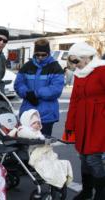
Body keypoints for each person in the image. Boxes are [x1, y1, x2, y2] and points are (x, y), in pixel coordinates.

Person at [65, 42, 105, 200]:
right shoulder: (78, 74)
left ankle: (101, 194)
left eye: (76, 61)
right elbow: (74, 100)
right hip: (83, 120)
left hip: (99, 121)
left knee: (93, 158)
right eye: (72, 61)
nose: (74, 65)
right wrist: (69, 125)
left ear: (86, 57)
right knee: (83, 156)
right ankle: (87, 191)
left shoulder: (101, 70)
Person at [14, 38, 64, 136]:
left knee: (43, 147)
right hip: (28, 114)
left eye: (43, 55)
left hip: (46, 115)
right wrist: (27, 93)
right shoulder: (27, 66)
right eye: (37, 54)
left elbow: (56, 89)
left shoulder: (55, 67)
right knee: (26, 146)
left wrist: (36, 93)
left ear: (48, 53)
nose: (40, 57)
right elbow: (18, 84)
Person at [16, 109, 73, 188]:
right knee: (45, 164)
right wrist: (41, 139)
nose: (37, 125)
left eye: (38, 123)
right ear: (28, 124)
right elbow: (30, 136)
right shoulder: (24, 130)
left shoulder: (36, 131)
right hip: (34, 152)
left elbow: (40, 137)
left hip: (42, 151)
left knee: (53, 160)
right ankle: (52, 173)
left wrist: (44, 139)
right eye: (34, 123)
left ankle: (57, 171)